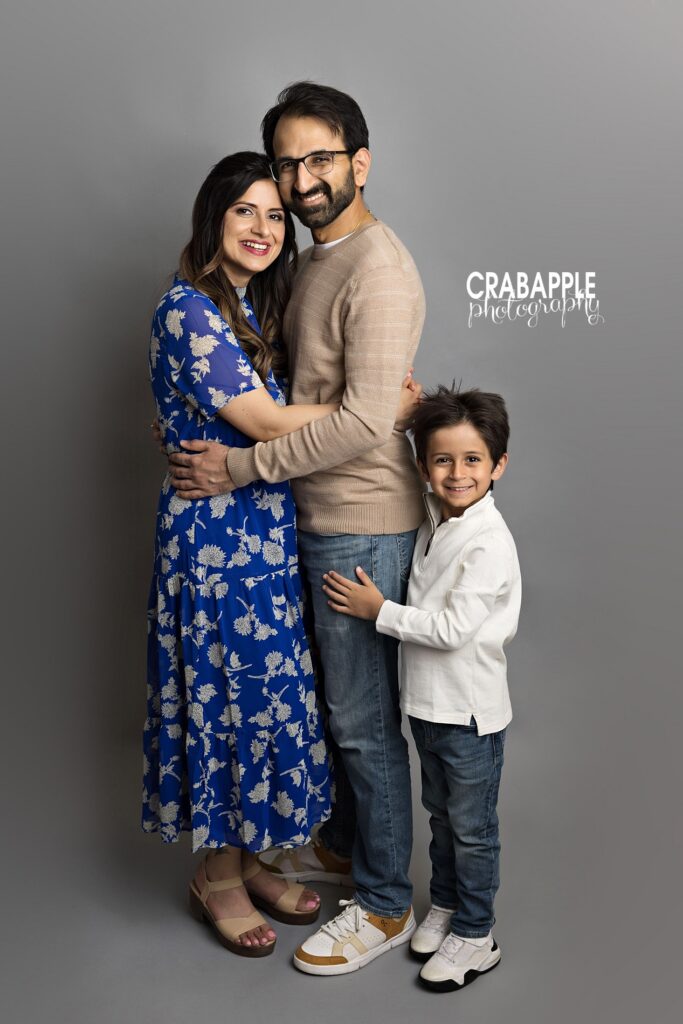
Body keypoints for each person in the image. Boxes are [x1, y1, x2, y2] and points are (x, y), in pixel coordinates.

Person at [167, 82, 426, 976]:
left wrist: (239, 466)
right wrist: (373, 408)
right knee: (328, 714)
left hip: (356, 522)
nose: (303, 179)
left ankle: (387, 905)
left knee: (359, 725)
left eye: (320, 158)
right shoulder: (307, 261)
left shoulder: (378, 268)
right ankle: (342, 856)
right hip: (296, 522)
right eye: (287, 163)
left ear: (359, 160)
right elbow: (341, 405)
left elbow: (357, 426)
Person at [143, 151, 340, 959]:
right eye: (244, 213)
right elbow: (261, 422)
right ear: (213, 220)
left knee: (266, 703)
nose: (262, 228)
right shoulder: (187, 309)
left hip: (263, 529)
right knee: (227, 701)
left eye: (273, 215)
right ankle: (214, 875)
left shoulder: (254, 307)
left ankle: (251, 856)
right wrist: (362, 408)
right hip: (214, 543)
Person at [322, 386, 521, 992]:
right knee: (441, 819)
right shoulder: (439, 519)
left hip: (469, 716)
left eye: (472, 461)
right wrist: (405, 407)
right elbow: (427, 441)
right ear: (421, 467)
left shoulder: (487, 541)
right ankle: (447, 907)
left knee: (470, 827)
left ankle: (477, 932)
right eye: (442, 460)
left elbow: (453, 629)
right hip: (431, 712)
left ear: (498, 466)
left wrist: (379, 609)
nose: (457, 473)